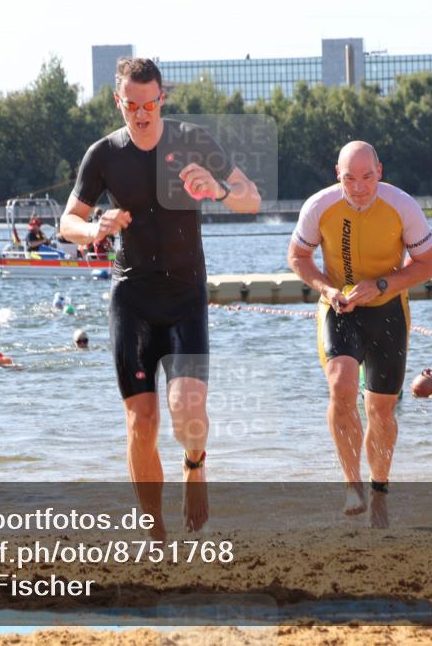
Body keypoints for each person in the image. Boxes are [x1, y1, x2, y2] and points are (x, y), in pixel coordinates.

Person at [60, 57, 261, 537]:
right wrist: (95, 229)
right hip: (132, 297)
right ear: (118, 101)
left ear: (162, 99)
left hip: (185, 295)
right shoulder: (104, 155)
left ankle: (195, 466)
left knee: (187, 409)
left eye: (149, 104)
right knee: (141, 421)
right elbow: (68, 223)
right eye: (131, 105)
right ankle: (154, 531)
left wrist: (219, 190)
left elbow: (251, 197)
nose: (141, 114)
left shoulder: (193, 141)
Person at [288, 141, 432, 527]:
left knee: (381, 411)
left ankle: (379, 492)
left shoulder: (402, 206)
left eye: (367, 177)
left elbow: (428, 265)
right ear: (337, 175)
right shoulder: (319, 206)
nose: (358, 187)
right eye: (349, 179)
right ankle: (352, 483)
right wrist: (327, 289)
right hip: (340, 309)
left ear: (380, 172)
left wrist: (383, 285)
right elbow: (298, 257)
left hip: (388, 311)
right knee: (341, 388)